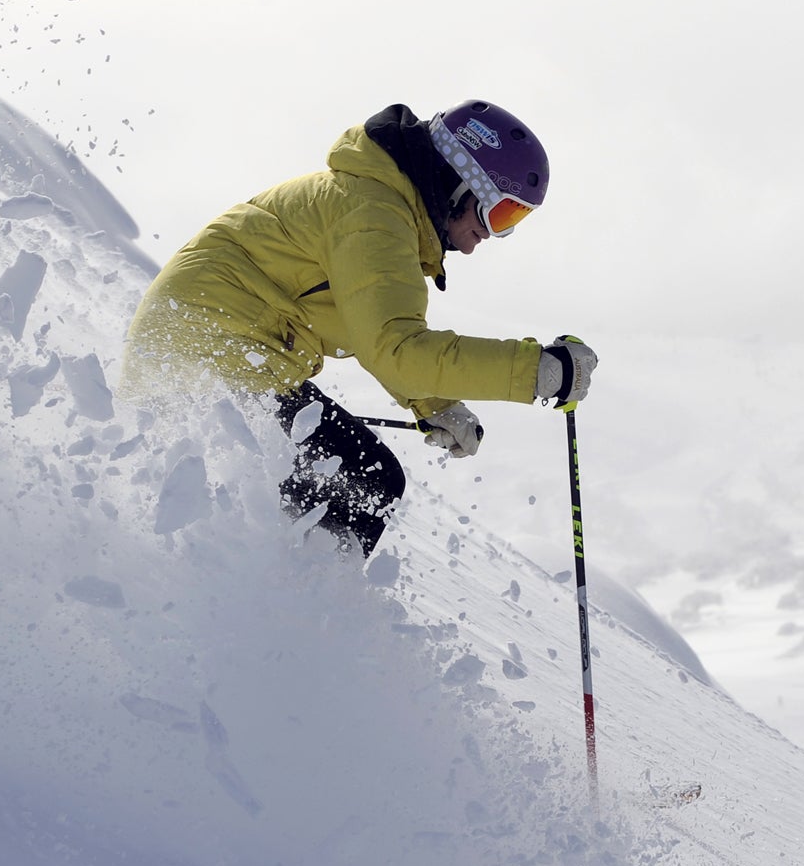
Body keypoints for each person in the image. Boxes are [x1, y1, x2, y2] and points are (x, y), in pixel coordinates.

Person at [118, 99, 596, 556]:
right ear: (460, 180)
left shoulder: (375, 206)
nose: (485, 238)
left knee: (353, 477)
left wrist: (434, 405)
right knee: (365, 478)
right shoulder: (373, 216)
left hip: (214, 350)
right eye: (499, 213)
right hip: (212, 352)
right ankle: (292, 599)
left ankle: (277, 590)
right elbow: (398, 350)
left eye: (513, 221)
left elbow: (373, 329)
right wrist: (538, 370)